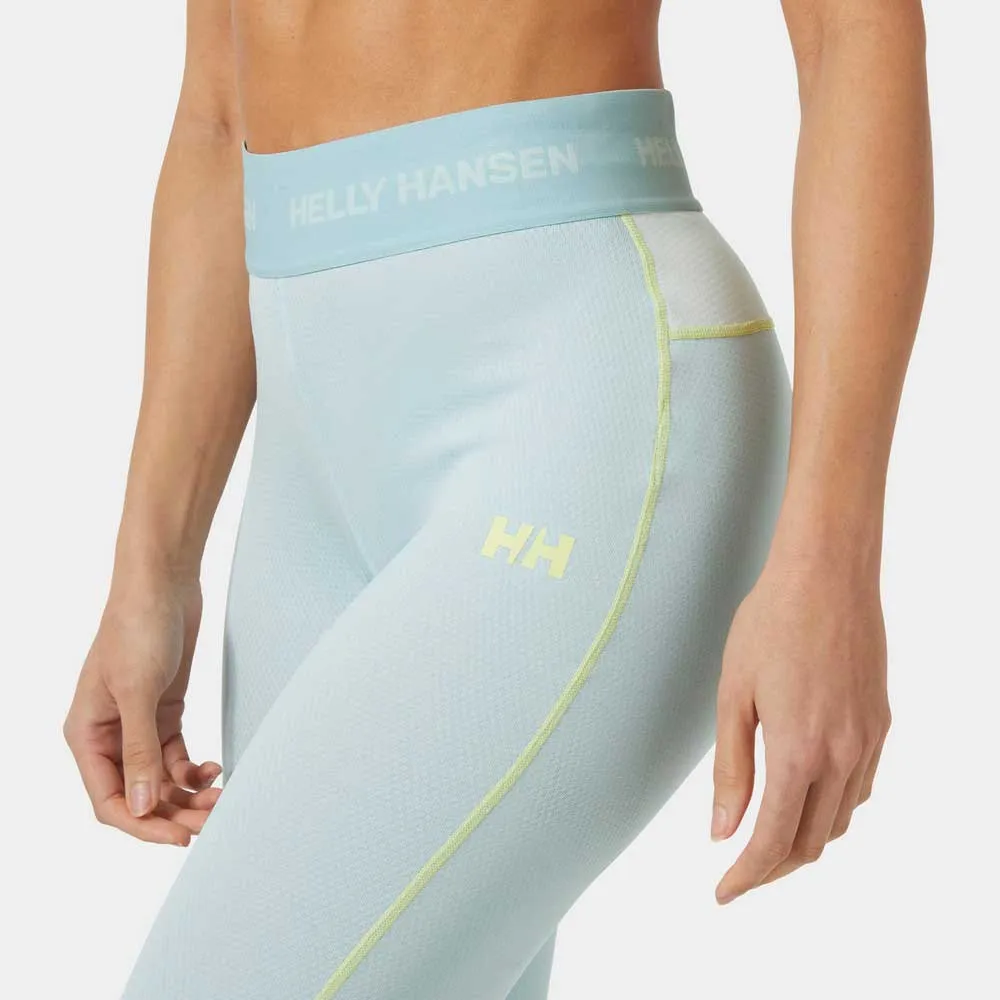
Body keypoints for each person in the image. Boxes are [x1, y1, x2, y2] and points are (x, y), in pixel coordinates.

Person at [62, 1, 933, 997]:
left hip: (573, 390)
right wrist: (151, 565)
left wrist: (829, 563)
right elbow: (218, 116)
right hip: (306, 462)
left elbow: (854, 33)